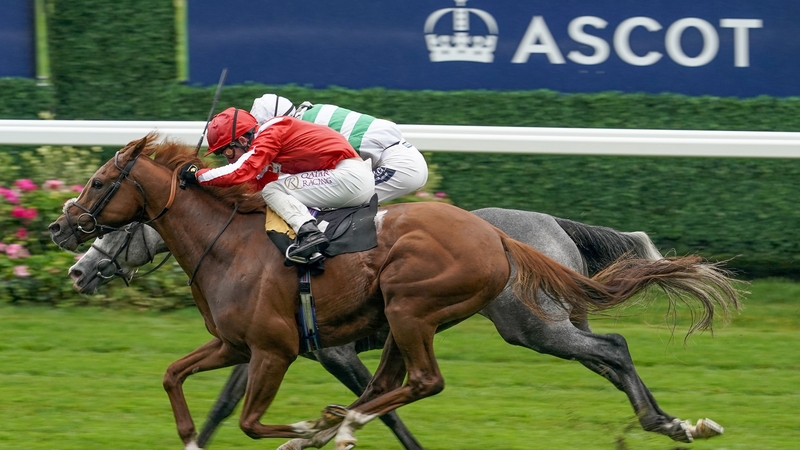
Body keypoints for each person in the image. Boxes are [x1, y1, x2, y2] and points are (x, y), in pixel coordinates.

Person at [179, 107, 375, 263]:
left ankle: (310, 234)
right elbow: (252, 189)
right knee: (270, 192)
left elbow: (241, 171)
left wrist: (198, 175)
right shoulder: (267, 150)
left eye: (228, 153)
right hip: (345, 179)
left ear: (242, 140)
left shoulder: (272, 130)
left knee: (274, 190)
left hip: (349, 176)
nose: (228, 160)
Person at [250, 94, 428, 203]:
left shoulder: (300, 128)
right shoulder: (312, 112)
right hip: (403, 158)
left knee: (324, 200)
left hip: (398, 165)